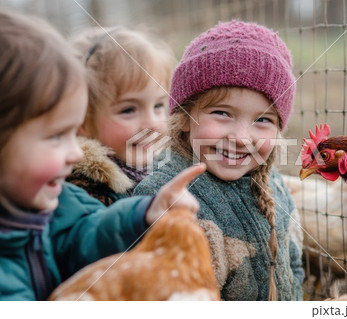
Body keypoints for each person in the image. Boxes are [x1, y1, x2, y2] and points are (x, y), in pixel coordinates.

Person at [0, 9, 204, 301]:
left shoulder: (54, 205)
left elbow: (82, 236)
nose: (74, 152)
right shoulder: (80, 188)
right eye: (56, 136)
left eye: (160, 105)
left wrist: (142, 213)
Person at [134, 20, 304, 301]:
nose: (240, 137)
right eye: (222, 113)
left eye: (262, 120)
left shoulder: (274, 185)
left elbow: (293, 262)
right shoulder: (167, 196)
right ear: (186, 117)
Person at [66, 26, 176, 205]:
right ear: (82, 121)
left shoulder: (170, 169)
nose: (153, 124)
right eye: (128, 110)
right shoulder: (84, 196)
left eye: (158, 105)